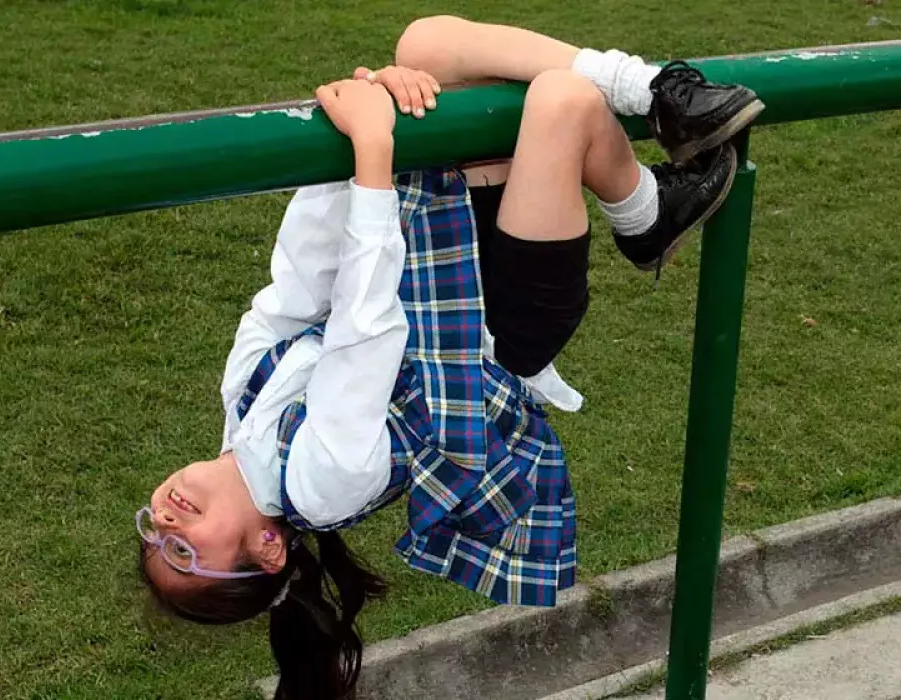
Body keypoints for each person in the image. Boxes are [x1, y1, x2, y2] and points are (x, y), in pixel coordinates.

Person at [136, 17, 765, 700]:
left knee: (424, 48)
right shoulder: (320, 487)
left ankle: (657, 109)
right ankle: (644, 205)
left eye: (153, 533)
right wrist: (376, 151)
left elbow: (297, 284)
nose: (166, 523)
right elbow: (362, 337)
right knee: (563, 104)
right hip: (502, 330)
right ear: (267, 548)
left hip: (445, 263)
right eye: (184, 553)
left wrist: (363, 118)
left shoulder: (242, 410)